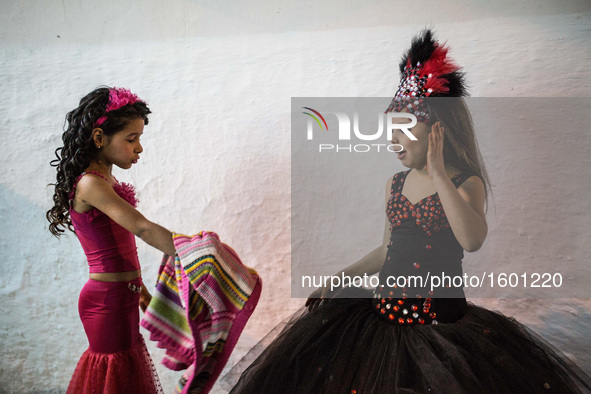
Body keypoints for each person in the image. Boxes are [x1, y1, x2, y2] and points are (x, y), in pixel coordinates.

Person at [225, 30, 591, 393]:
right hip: (382, 316)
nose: (392, 139)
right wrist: (340, 277)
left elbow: (472, 239)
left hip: (441, 327)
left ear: (438, 129)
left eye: (403, 128)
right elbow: (386, 250)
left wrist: (438, 174)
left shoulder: (466, 183)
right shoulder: (395, 185)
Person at [47, 86, 176, 393]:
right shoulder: (91, 184)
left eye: (139, 138)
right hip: (105, 302)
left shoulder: (106, 180)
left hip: (122, 296)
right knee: (114, 379)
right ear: (99, 137)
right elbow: (142, 228)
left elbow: (121, 251)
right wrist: (193, 249)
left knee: (127, 377)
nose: (139, 148)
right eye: (131, 139)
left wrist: (142, 294)